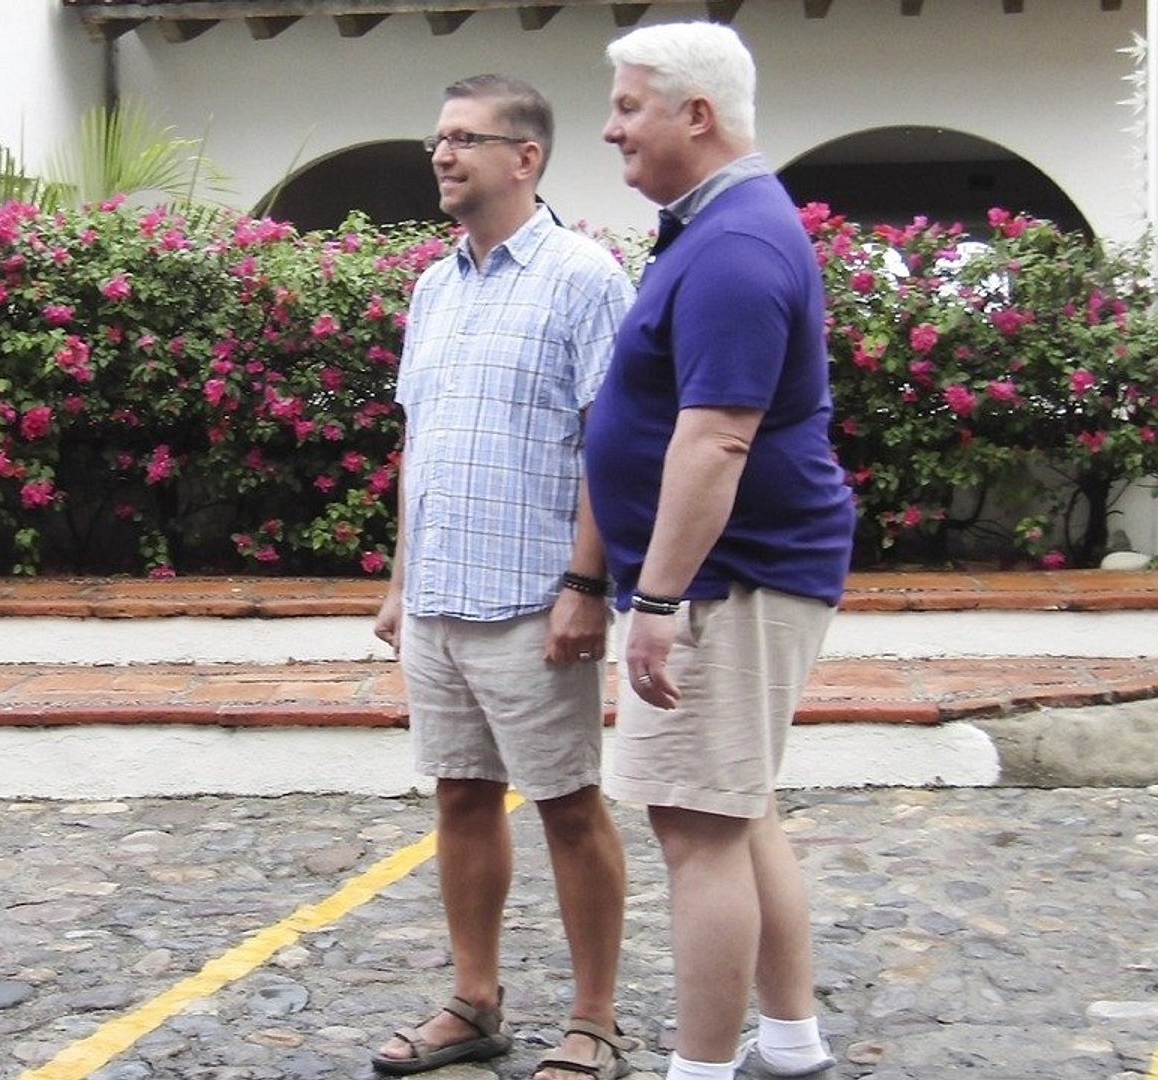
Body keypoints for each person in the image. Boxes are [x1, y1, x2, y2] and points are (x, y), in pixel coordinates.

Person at [584, 23, 858, 1080]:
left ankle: (698, 1070)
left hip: (726, 579)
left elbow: (719, 437)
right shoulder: (723, 225)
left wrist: (657, 599)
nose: (609, 128)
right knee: (736, 811)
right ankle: (790, 1044)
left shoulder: (736, 244)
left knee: (697, 828)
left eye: (627, 106)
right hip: (739, 572)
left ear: (694, 115)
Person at [371, 75, 638, 1080]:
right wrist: (401, 582)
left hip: (536, 598)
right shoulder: (432, 286)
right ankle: (474, 1004)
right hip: (441, 596)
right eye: (436, 138)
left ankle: (595, 1021)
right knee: (460, 798)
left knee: (569, 803)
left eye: (465, 139)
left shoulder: (584, 277)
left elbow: (609, 444)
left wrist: (586, 583)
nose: (442, 156)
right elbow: (420, 443)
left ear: (525, 158)